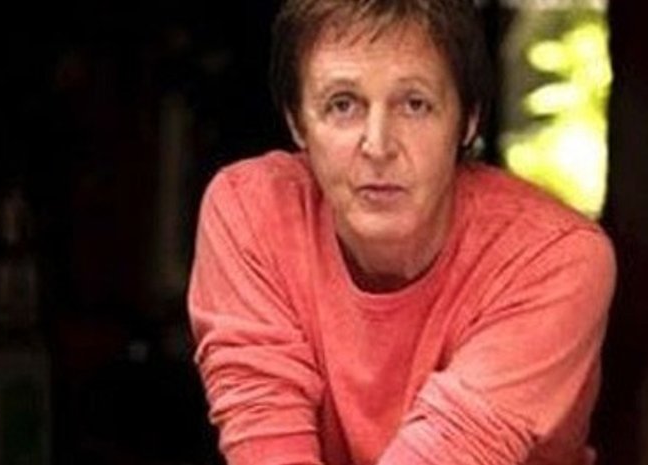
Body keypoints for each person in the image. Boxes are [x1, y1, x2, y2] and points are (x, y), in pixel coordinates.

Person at [186, 0, 616, 464]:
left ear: (468, 120)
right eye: (343, 105)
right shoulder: (252, 211)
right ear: (297, 122)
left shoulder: (552, 257)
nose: (378, 145)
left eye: (415, 105)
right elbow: (267, 444)